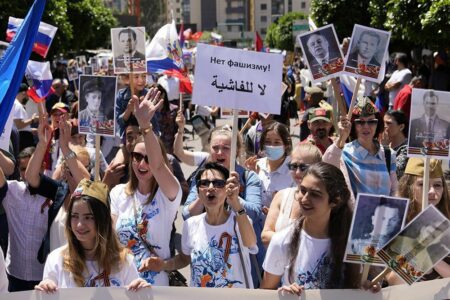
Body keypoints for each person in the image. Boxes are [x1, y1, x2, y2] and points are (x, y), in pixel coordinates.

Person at [260, 162, 379, 294]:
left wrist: (367, 289)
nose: (304, 199)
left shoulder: (354, 242)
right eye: (302, 190)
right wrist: (282, 293)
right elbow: (265, 292)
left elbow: (355, 286)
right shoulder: (281, 241)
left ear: (335, 201)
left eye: (315, 194)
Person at [174, 118, 263, 286]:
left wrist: (235, 198)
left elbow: (255, 213)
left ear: (236, 151)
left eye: (226, 148)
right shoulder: (204, 176)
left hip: (241, 260)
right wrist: (209, 188)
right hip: (208, 259)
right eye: (215, 148)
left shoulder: (248, 176)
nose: (220, 153)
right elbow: (186, 214)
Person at [111, 87, 182, 286]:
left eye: (148, 158)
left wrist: (145, 126)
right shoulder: (118, 193)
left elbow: (158, 167)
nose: (142, 164)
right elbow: (109, 237)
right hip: (121, 284)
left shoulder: (169, 194)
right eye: (137, 157)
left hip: (155, 288)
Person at [145, 162, 258, 288]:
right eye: (204, 183)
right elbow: (184, 259)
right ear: (198, 192)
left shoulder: (240, 221)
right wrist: (164, 265)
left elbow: (251, 243)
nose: (210, 187)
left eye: (218, 183)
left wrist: (236, 204)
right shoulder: (191, 224)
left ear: (227, 190)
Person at [35, 179, 148, 291]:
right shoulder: (56, 260)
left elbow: (134, 294)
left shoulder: (124, 262)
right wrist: (46, 287)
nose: (79, 225)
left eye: (88, 217)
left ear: (103, 220)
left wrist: (141, 292)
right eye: (74, 216)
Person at [25, 115, 91, 261]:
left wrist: (65, 148)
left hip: (82, 271)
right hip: (55, 272)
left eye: (81, 166)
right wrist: (42, 144)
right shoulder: (60, 191)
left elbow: (85, 182)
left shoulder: (94, 196)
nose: (74, 170)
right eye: (70, 166)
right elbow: (31, 177)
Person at [387, 158, 450, 284]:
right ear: (409, 187)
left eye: (437, 185)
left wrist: (432, 255)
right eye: (422, 184)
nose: (432, 191)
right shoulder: (394, 223)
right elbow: (393, 280)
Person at [323, 97, 398, 198]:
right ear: (353, 125)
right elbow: (326, 167)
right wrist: (342, 138)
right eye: (360, 122)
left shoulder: (388, 154)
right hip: (354, 213)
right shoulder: (343, 152)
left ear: (378, 124)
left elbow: (395, 190)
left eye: (371, 121)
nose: (366, 126)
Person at [261, 143, 322, 247]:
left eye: (303, 167)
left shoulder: (323, 200)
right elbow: (265, 236)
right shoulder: (281, 196)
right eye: (293, 166)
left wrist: (278, 238)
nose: (297, 172)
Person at [245, 121, 294, 214]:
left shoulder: (294, 170)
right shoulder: (256, 165)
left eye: (277, 142)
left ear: (286, 145)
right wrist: (250, 175)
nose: (272, 146)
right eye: (267, 142)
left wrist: (275, 212)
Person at [383, 110, 409, 178]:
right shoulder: (383, 144)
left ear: (401, 127)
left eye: (388, 123)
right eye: (383, 123)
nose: (384, 126)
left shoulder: (407, 148)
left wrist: (384, 148)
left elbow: (394, 172)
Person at [12, 83, 38, 151]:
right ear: (24, 93)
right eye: (28, 94)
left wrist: (30, 130)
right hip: (23, 138)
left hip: (22, 136)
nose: (28, 98)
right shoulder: (17, 105)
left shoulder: (15, 104)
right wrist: (33, 119)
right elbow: (19, 125)